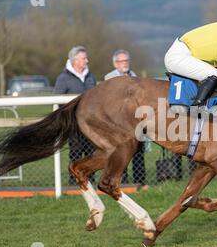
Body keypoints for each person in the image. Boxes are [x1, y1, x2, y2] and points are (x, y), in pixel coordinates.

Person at [104, 49, 149, 190]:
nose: (125, 63)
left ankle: (140, 181)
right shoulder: (109, 78)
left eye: (126, 61)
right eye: (122, 61)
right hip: (119, 123)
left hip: (135, 122)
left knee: (138, 151)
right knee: (121, 152)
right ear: (115, 63)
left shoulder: (134, 76)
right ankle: (121, 180)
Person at [54, 46, 97, 185]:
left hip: (91, 123)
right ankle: (74, 181)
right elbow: (58, 101)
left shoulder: (91, 77)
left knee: (91, 152)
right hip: (74, 124)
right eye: (84, 58)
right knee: (76, 152)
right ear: (75, 60)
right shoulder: (63, 79)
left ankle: (90, 179)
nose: (87, 61)